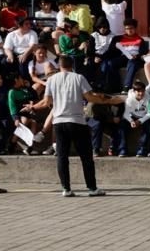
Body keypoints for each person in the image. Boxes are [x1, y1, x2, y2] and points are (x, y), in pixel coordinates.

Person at [36, 54, 120, 197]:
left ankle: (66, 189)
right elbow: (89, 97)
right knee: (86, 156)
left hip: (59, 122)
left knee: (62, 157)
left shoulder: (51, 80)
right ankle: (92, 188)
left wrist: (32, 107)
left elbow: (46, 102)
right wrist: (106, 100)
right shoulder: (79, 78)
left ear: (59, 66)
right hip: (76, 121)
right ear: (72, 65)